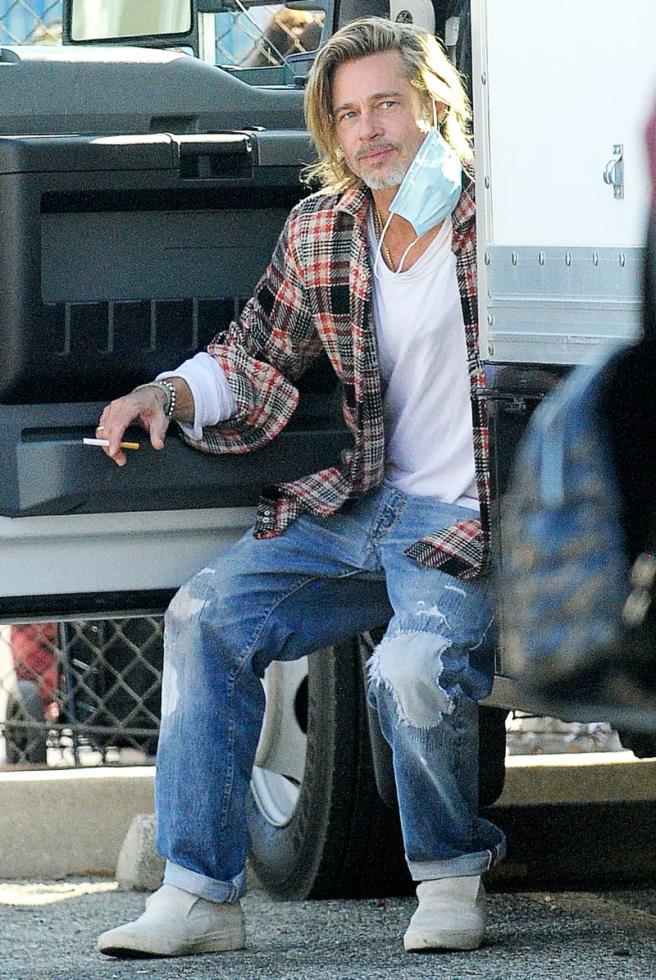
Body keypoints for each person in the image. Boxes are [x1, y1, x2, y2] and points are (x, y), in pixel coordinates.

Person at [96, 16, 505, 959]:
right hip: (362, 501)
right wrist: (165, 394)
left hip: (462, 518)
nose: (369, 131)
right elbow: (254, 352)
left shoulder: (496, 218)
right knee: (204, 616)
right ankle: (199, 896)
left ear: (433, 103)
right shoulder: (326, 227)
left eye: (387, 105)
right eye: (348, 115)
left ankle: (450, 876)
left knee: (409, 670)